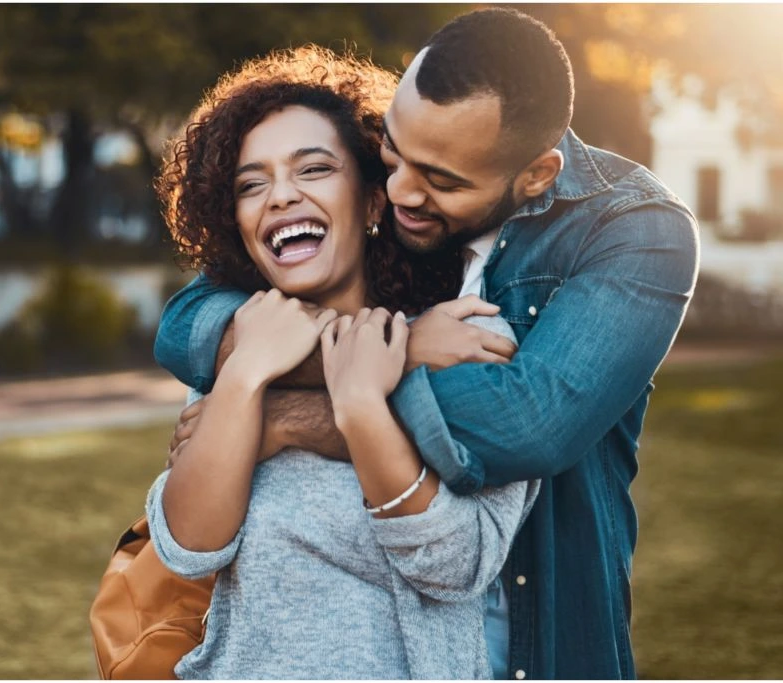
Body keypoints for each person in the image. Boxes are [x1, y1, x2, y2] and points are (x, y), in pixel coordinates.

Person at [155, 8, 700, 680]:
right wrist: (394, 351)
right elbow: (184, 327)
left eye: (440, 179)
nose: (403, 188)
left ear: (534, 176)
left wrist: (289, 418)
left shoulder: (625, 234)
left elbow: (525, 422)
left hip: (538, 649)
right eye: (392, 151)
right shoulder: (279, 315)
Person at [145, 45, 538, 679]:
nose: (279, 196)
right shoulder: (241, 351)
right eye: (252, 184)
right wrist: (246, 376)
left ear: (374, 202)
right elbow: (189, 548)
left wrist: (358, 407)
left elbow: (457, 565)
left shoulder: (465, 338)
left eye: (313, 169)